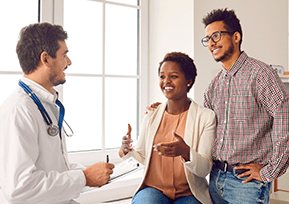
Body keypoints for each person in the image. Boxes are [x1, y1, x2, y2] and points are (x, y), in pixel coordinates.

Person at [0, 22, 114, 204]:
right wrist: (84, 178)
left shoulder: (43, 103)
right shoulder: (19, 110)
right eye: (64, 55)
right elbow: (19, 189)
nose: (69, 62)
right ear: (45, 59)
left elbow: (51, 167)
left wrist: (87, 173)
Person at [200, 8, 289, 204]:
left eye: (216, 35)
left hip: (246, 184)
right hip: (215, 179)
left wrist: (269, 171)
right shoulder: (213, 85)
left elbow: (285, 120)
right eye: (207, 39)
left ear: (236, 37)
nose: (211, 43)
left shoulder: (261, 74)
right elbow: (202, 128)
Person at [119, 52, 216, 204]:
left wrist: (185, 152)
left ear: (189, 81)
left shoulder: (206, 117)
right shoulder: (151, 115)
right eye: (162, 76)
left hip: (189, 193)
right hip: (153, 189)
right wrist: (127, 150)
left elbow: (204, 169)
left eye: (174, 76)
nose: (166, 81)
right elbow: (143, 157)